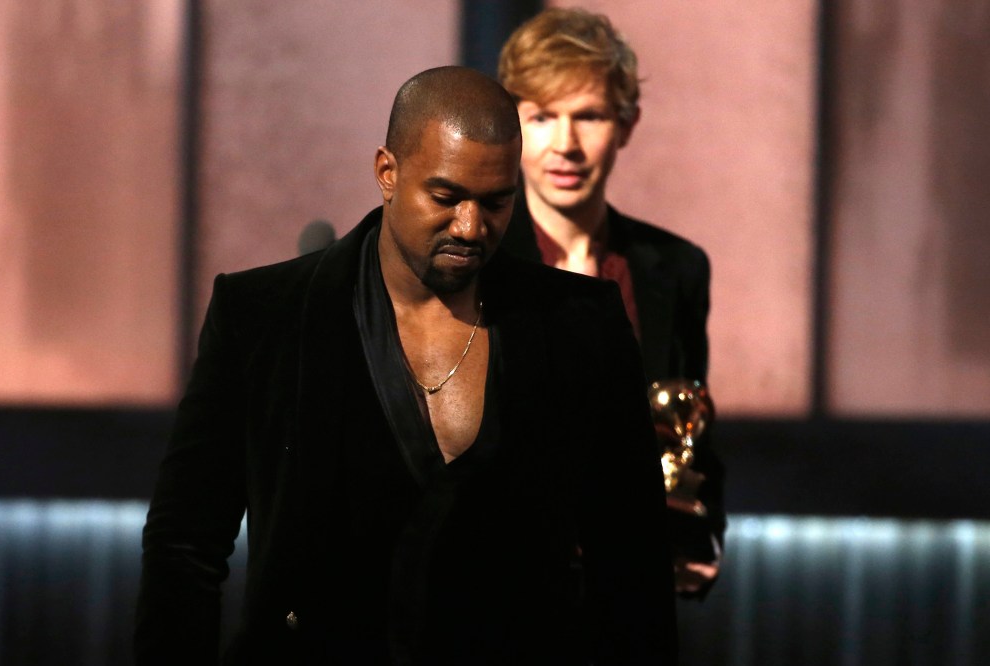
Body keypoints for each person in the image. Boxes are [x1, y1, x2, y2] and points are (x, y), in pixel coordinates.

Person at [135, 66, 677, 665]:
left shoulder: (582, 327)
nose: (471, 228)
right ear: (387, 172)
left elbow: (632, 565)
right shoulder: (262, 316)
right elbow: (186, 546)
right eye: (445, 197)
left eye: (497, 202)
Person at [498, 8, 725, 596]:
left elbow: (692, 425)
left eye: (589, 116)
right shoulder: (477, 261)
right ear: (511, 126)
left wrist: (704, 534)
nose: (565, 144)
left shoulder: (676, 267)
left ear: (626, 125)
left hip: (630, 593)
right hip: (496, 592)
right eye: (542, 117)